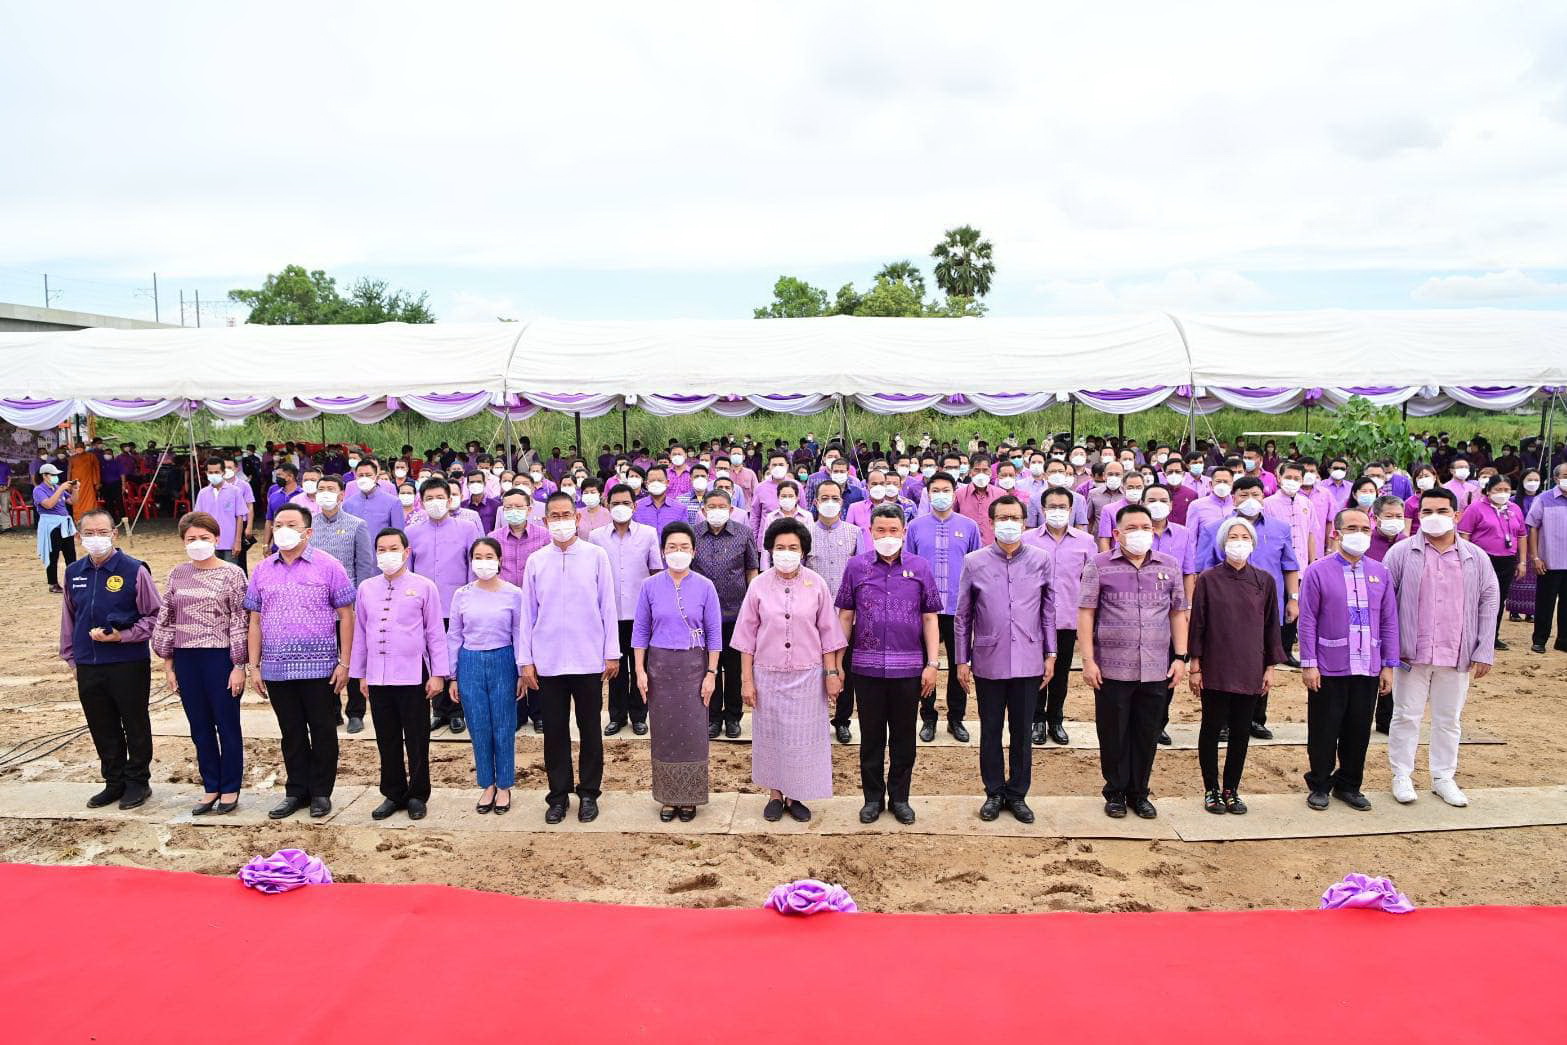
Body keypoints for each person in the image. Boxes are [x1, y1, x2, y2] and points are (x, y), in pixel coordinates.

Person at [1384, 489, 1499, 807]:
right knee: (1406, 715)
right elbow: (1385, 602)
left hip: (1456, 651)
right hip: (1412, 652)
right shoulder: (1401, 553)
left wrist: (1484, 649)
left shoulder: (1475, 556)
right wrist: (1389, 649)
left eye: (1442, 510)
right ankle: (1402, 775)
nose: (1434, 516)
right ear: (1418, 515)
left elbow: (1490, 600)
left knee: (1449, 719)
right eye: (1427, 511)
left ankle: (1443, 777)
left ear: (1456, 515)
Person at [244, 504, 356, 820]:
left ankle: (321, 792)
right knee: (290, 731)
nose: (283, 529)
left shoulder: (329, 565)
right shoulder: (263, 569)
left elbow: (347, 616)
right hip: (277, 668)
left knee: (322, 729)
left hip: (321, 667)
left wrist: (344, 663)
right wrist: (255, 665)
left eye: (291, 524)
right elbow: (254, 620)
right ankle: (296, 791)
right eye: (278, 523)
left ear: (308, 531)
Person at [1078, 503, 1189, 820]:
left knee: (1147, 732)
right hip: (1112, 667)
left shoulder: (1168, 565)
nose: (1139, 533)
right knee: (1113, 732)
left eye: (1145, 527)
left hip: (1156, 666)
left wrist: (1180, 657)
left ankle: (1139, 792)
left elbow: (1178, 612)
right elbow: (1086, 613)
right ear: (1116, 533)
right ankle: (1114, 791)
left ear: (1154, 531)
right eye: (1131, 528)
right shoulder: (1098, 566)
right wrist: (1088, 660)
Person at [735, 517, 847, 823]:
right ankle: (774, 794)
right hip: (767, 675)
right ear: (770, 550)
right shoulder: (758, 585)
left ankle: (796, 793)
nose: (786, 552)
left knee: (802, 738)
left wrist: (831, 673)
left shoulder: (817, 584)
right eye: (780, 547)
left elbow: (828, 633)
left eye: (793, 547)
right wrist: (747, 680)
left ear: (803, 551)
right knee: (770, 736)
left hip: (807, 676)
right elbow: (746, 637)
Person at [953, 495, 1055, 823]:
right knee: (991, 730)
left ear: (1025, 523)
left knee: (1023, 732)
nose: (1009, 523)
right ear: (992, 523)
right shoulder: (974, 561)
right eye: (1002, 518)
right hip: (988, 660)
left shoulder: (1041, 559)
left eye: (1015, 517)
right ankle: (994, 792)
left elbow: (1048, 610)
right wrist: (961, 660)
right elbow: (963, 615)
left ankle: (1018, 793)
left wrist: (1051, 653)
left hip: (1028, 660)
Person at [520, 492, 620, 824]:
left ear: (577, 518)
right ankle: (558, 796)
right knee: (555, 732)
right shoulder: (536, 561)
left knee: (590, 728)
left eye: (567, 515)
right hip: (548, 662)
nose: (561, 521)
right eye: (554, 516)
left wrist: (611, 653)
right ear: (545, 521)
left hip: (588, 658)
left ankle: (589, 792)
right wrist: (526, 661)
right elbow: (527, 614)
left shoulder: (595, 556)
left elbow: (608, 606)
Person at [837, 505, 941, 825]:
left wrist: (933, 663)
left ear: (904, 532)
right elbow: (845, 616)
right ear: (870, 532)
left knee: (903, 737)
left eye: (893, 530)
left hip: (908, 668)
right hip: (866, 669)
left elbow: (929, 617)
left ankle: (900, 798)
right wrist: (838, 662)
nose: (887, 536)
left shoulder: (920, 567)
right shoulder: (856, 567)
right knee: (870, 736)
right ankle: (872, 798)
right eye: (880, 530)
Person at [1297, 507, 1399, 811]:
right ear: (1336, 533)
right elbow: (1308, 621)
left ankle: (1350, 784)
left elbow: (1389, 621)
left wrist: (1388, 665)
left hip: (1367, 665)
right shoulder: (1318, 570)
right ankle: (1320, 783)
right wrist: (1309, 663)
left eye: (1365, 528)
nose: (1360, 534)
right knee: (1325, 727)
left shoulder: (1380, 572)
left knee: (1358, 728)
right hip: (1329, 665)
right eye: (1352, 528)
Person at [59, 509, 161, 810]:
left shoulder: (134, 570)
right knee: (101, 725)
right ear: (79, 537)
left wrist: (122, 636)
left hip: (127, 661)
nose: (96, 539)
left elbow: (155, 616)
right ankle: (113, 781)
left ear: (114, 533)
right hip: (88, 663)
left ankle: (138, 781)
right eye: (88, 534)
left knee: (134, 722)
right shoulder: (74, 572)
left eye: (102, 532)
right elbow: (68, 617)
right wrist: (72, 659)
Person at [152, 511, 248, 815]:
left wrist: (239, 665)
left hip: (219, 657)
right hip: (186, 657)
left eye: (204, 538)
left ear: (216, 539)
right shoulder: (177, 574)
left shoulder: (233, 574)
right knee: (200, 727)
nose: (198, 543)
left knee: (227, 724)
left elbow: (240, 621)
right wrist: (168, 664)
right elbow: (166, 619)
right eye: (191, 539)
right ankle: (211, 786)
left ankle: (230, 786)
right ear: (183, 541)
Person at [1187, 518, 1285, 815]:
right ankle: (1211, 788)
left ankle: (1231, 788)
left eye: (1245, 536)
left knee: (1241, 731)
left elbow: (1271, 626)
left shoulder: (1264, 581)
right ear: (1223, 542)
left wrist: (1269, 666)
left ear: (1253, 543)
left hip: (1250, 665)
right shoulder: (1208, 578)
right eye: (1233, 536)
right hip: (1215, 665)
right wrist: (1195, 664)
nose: (1239, 541)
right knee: (1212, 727)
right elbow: (1198, 624)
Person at [351, 528, 449, 822]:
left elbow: (435, 633)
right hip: (378, 676)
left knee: (417, 737)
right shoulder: (366, 588)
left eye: (393, 548)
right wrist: (361, 674)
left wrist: (439, 674)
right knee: (387, 737)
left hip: (413, 674)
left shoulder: (424, 586)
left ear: (406, 552)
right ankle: (393, 792)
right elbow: (360, 633)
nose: (387, 554)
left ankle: (418, 794)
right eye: (381, 549)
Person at [1193, 477, 1300, 737]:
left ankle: (1255, 718)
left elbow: (1289, 565)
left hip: (1264, 605)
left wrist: (1293, 598)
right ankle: (1225, 721)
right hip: (1225, 610)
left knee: (1261, 655)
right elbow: (1203, 569)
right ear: (1233, 497)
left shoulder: (1279, 528)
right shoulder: (1214, 529)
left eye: (1256, 494)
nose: (1250, 499)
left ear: (1264, 497)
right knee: (1225, 659)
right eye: (1243, 494)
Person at [632, 522, 723, 821]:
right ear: (662, 551)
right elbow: (640, 631)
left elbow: (714, 633)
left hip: (694, 668)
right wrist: (640, 671)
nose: (678, 552)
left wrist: (711, 673)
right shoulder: (650, 586)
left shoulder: (705, 586)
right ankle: (668, 797)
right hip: (660, 668)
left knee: (693, 732)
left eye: (684, 547)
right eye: (672, 547)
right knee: (665, 733)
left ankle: (690, 797)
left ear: (694, 551)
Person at [449, 537, 526, 814]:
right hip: (470, 661)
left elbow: (519, 633)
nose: (483, 562)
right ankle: (487, 784)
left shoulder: (514, 594)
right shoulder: (462, 595)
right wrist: (453, 675)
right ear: (471, 562)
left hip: (503, 659)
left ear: (500, 560)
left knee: (504, 725)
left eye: (489, 556)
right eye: (478, 557)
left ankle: (504, 785)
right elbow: (454, 634)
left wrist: (521, 670)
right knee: (479, 726)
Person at [904, 472, 982, 743]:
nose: (941, 494)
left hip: (958, 608)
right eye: (935, 489)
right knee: (926, 663)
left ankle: (956, 718)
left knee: (960, 662)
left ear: (954, 492)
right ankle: (927, 717)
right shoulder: (915, 527)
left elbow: (976, 568)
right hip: (924, 610)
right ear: (928, 493)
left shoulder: (969, 527)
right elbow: (908, 566)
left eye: (946, 489)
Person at [408, 478, 481, 734]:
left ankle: (458, 711)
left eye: (440, 497)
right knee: (432, 658)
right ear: (422, 502)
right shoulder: (412, 532)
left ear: (450, 500)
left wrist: (472, 600)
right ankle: (438, 710)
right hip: (425, 609)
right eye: (429, 498)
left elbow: (474, 565)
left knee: (456, 658)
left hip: (456, 605)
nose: (435, 503)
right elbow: (409, 570)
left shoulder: (467, 528)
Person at [1023, 487, 1096, 746]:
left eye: (1062, 507)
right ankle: (1037, 720)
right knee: (1035, 671)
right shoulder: (1028, 539)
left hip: (1067, 618)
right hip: (1034, 619)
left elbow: (1090, 582)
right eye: (1052, 507)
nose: (1057, 511)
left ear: (1072, 509)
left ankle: (1056, 719)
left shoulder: (1085, 542)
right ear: (1042, 510)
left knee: (1061, 673)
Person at [590, 484, 663, 736]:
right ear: (607, 506)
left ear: (634, 505)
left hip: (641, 614)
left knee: (641, 666)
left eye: (625, 503)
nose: (620, 508)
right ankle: (617, 716)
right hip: (610, 614)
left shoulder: (649, 534)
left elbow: (656, 572)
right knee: (615, 667)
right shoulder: (596, 537)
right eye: (615, 504)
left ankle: (640, 715)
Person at [306, 474, 375, 731]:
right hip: (317, 608)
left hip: (347, 606)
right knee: (325, 658)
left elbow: (365, 567)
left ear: (341, 494)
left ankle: (355, 711)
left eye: (330, 489)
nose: (325, 493)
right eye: (321, 488)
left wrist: (358, 603)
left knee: (352, 656)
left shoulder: (357, 525)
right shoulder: (308, 526)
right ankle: (331, 709)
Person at [690, 488, 759, 740]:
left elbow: (752, 570)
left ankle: (732, 717)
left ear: (731, 510)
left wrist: (752, 606)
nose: (716, 511)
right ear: (703, 510)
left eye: (722, 506)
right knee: (708, 667)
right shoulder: (694, 534)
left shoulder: (743, 533)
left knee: (732, 668)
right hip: (702, 615)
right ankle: (712, 717)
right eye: (712, 506)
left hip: (735, 614)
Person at [806, 478, 864, 744]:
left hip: (846, 615)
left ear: (842, 502)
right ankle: (813, 718)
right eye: (824, 498)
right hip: (810, 617)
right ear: (815, 502)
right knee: (811, 667)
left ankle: (842, 720)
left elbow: (864, 574)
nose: (830, 503)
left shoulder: (854, 533)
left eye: (835, 498)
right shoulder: (804, 533)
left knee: (846, 669)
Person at [1457, 474, 1528, 650]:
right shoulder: (1475, 508)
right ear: (1488, 491)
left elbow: (1521, 535)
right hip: (1482, 559)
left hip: (1507, 560)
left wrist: (1522, 562)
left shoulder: (1514, 509)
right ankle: (1470, 635)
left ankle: (1492, 636)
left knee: (1498, 599)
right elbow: (1464, 535)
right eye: (1498, 490)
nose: (1502, 494)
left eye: (1506, 490)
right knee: (1476, 598)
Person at [1526, 463, 1567, 654]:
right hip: (1549, 561)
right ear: (1556, 478)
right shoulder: (1544, 499)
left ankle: (1563, 640)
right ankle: (1540, 640)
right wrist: (1535, 557)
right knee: (1545, 603)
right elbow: (1533, 526)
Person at [194, 458, 249, 566]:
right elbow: (198, 518)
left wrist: (237, 541)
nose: (213, 475)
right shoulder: (203, 493)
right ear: (206, 473)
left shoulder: (235, 491)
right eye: (210, 472)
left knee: (229, 573)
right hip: (208, 542)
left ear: (223, 472)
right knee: (210, 573)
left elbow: (240, 517)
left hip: (229, 542)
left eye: (216, 472)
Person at [34, 462, 77, 593]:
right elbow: (48, 505)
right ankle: (53, 583)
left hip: (64, 523)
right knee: (53, 555)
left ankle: (73, 581)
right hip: (51, 525)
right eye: (53, 475)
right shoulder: (39, 490)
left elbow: (72, 501)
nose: (55, 477)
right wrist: (61, 488)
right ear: (45, 476)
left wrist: (75, 490)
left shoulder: (57, 487)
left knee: (71, 553)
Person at [1508, 468, 1544, 622]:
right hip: (1518, 543)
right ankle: (1514, 609)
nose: (1533, 483)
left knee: (1535, 578)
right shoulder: (1513, 500)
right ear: (1522, 481)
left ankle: (1531, 611)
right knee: (1517, 574)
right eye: (1529, 480)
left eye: (1536, 480)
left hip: (1538, 543)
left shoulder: (1544, 499)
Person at [343, 458, 404, 533]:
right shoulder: (348, 504)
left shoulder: (393, 502)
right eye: (361, 475)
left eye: (368, 475)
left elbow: (398, 533)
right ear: (356, 478)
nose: (364, 478)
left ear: (376, 477)